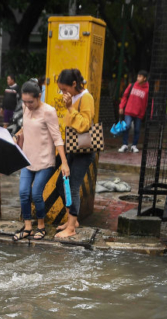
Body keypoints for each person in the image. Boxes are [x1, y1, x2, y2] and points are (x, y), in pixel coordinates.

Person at [13, 81, 68, 241]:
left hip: (45, 160)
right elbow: (27, 128)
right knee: (23, 192)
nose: (27, 105)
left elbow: (57, 137)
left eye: (31, 101)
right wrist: (18, 135)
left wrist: (63, 162)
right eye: (25, 101)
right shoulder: (25, 108)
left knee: (36, 193)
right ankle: (28, 227)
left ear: (38, 97)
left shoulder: (49, 111)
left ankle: (41, 227)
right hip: (27, 158)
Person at [54, 69, 96, 239]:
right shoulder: (72, 97)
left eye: (65, 89)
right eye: (61, 90)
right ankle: (73, 220)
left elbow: (85, 125)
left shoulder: (86, 98)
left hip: (84, 151)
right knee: (60, 184)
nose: (63, 93)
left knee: (72, 186)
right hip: (71, 147)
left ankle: (71, 228)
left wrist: (70, 107)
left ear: (74, 84)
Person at [118, 70, 150, 153]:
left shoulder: (147, 90)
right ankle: (125, 145)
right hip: (129, 111)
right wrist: (121, 107)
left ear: (144, 78)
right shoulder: (131, 86)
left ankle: (134, 145)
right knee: (127, 126)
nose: (138, 78)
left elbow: (149, 102)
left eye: (140, 76)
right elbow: (124, 96)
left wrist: (149, 113)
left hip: (139, 113)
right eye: (138, 76)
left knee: (137, 130)